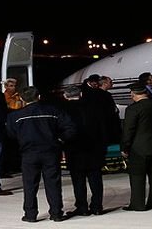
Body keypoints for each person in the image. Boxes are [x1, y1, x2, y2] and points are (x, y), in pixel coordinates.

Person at [6, 86, 76, 223]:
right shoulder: (53, 111)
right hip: (50, 152)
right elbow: (70, 128)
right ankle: (56, 213)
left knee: (29, 184)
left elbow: (11, 135)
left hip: (29, 153)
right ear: (39, 97)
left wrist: (23, 141)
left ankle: (30, 214)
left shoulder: (14, 116)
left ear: (21, 98)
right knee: (53, 183)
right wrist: (60, 140)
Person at [120, 82, 152, 211]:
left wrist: (125, 148)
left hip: (139, 149)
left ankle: (138, 204)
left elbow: (128, 130)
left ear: (133, 94)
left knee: (137, 177)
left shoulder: (133, 109)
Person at [62, 85, 106, 217]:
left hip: (74, 149)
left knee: (78, 180)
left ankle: (82, 207)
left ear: (65, 96)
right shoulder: (94, 107)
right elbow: (103, 128)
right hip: (94, 148)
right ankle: (97, 206)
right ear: (80, 94)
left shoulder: (63, 110)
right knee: (96, 179)